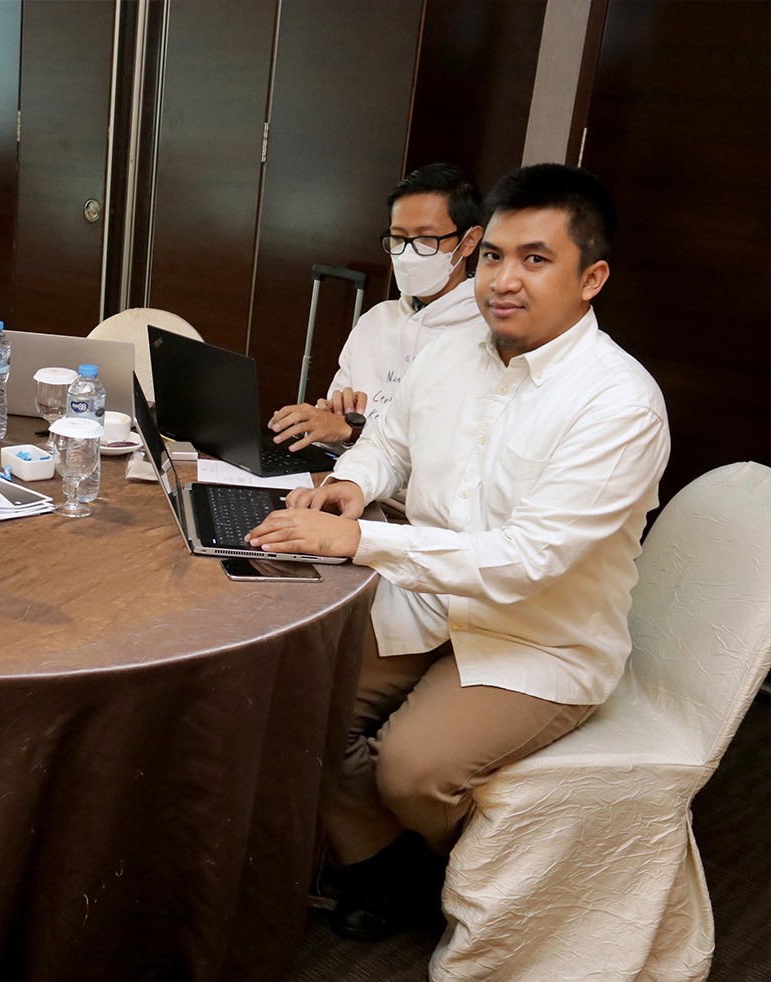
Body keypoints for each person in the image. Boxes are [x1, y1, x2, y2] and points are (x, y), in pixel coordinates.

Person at [247, 164, 669, 940]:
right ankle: (387, 867)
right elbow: (390, 444)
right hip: (435, 598)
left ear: (592, 277)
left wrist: (362, 536)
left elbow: (524, 560)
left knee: (414, 769)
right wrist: (350, 483)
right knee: (299, 692)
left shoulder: (619, 404)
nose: (503, 281)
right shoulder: (451, 353)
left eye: (535, 260)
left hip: (542, 634)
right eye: (493, 258)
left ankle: (449, 870)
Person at [269, 163, 485, 450]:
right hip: (347, 480)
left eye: (425, 239)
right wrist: (324, 421)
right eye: (398, 238)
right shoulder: (376, 321)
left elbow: (451, 457)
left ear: (468, 241)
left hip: (407, 495)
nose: (408, 253)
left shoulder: (483, 334)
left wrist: (353, 431)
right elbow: (336, 431)